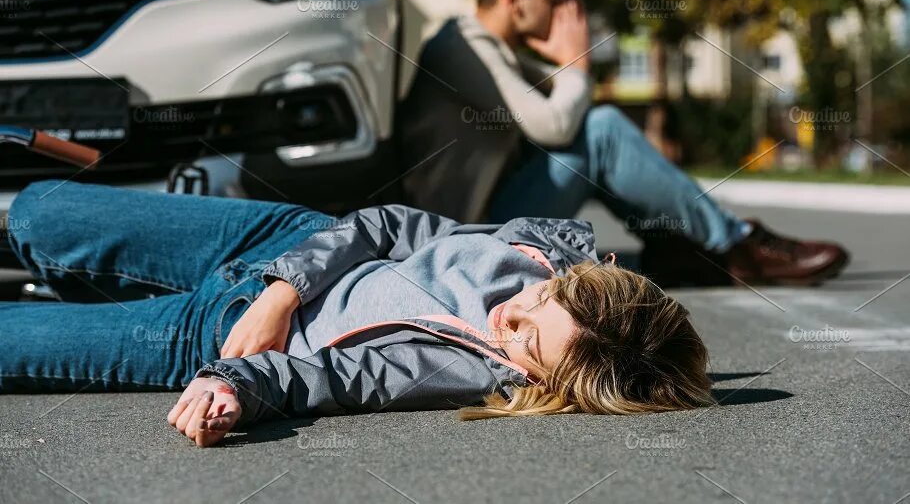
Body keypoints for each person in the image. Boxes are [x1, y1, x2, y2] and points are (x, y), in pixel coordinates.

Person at [2, 180, 712, 447]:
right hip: (285, 241)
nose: (511, 318)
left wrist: (234, 383)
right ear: (571, 279)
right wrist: (285, 288)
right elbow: (388, 224)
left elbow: (333, 378)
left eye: (529, 345)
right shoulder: (535, 247)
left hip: (222, 332)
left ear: (546, 384)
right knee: (38, 213)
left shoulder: (469, 370)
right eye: (539, 301)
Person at [397, 0, 848, 287]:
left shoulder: (493, 48)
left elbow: (570, 101)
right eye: (554, 1)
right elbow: (554, 125)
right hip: (461, 240)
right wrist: (574, 64)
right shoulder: (461, 46)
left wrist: (571, 67)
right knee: (601, 131)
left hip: (485, 221)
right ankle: (734, 243)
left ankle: (676, 245)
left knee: (598, 129)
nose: (565, 12)